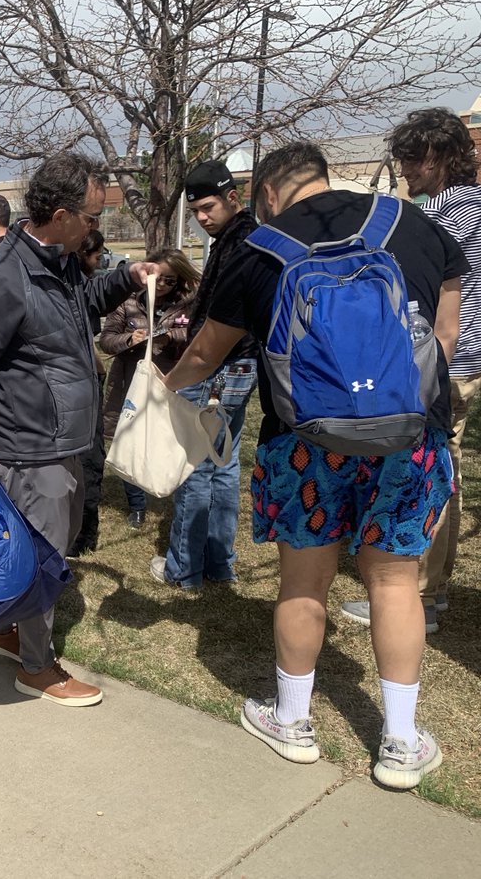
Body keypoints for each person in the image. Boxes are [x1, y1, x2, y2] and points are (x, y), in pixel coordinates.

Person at [165, 142, 461, 789]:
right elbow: (444, 336)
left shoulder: (260, 249)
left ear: (269, 193)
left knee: (303, 584)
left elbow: (207, 354)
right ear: (324, 178)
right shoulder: (414, 223)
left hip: (303, 444)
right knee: (395, 584)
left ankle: (292, 723)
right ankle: (402, 744)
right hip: (406, 436)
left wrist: (160, 391)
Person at [0, 151, 153, 706]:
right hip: (29, 446)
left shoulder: (52, 260)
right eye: (90, 215)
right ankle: (37, 667)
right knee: (41, 559)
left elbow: (77, 305)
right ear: (59, 214)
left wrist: (128, 276)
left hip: (58, 440)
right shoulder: (6, 274)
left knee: (38, 553)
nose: (96, 226)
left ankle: (0, 628)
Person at [341, 107, 481, 635]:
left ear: (444, 155)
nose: (405, 169)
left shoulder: (447, 212)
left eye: (414, 158)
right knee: (447, 468)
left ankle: (417, 595)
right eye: (401, 158)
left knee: (427, 472)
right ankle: (432, 589)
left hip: (444, 359)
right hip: (466, 357)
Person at [149, 162, 258, 588]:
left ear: (234, 197)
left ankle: (185, 569)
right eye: (194, 211)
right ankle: (217, 563)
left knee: (195, 466)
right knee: (223, 465)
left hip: (219, 369)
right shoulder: (236, 239)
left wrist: (175, 378)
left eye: (208, 207)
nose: (202, 218)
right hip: (238, 368)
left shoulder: (240, 244)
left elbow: (220, 326)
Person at [99, 248, 198, 529]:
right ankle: (137, 505)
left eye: (170, 280)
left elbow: (198, 336)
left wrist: (170, 336)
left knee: (171, 441)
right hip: (131, 383)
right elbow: (107, 339)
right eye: (158, 278)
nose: (164, 285)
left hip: (171, 382)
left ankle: (174, 493)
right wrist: (131, 338)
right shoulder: (128, 301)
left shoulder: (188, 304)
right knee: (132, 443)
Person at [68, 229, 111, 555]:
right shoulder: (73, 286)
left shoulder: (82, 286)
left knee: (89, 457)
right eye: (97, 256)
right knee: (81, 458)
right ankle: (77, 530)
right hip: (76, 382)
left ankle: (85, 531)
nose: (100, 262)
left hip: (87, 378)